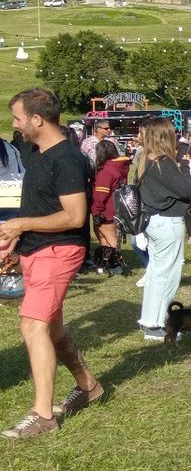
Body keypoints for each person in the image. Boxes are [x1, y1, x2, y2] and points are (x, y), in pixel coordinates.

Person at [0, 88, 103, 439]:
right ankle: (88, 385)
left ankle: (43, 415)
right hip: (35, 249)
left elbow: (74, 217)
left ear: (37, 119)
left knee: (32, 325)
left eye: (18, 118)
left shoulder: (68, 160)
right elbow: (37, 205)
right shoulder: (34, 152)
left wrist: (21, 225)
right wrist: (16, 241)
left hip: (58, 251)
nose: (15, 125)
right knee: (52, 328)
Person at [136, 118, 191, 341]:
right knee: (168, 275)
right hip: (167, 222)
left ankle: (150, 320)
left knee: (156, 273)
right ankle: (158, 323)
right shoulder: (164, 162)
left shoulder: (144, 159)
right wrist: (186, 166)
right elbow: (186, 189)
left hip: (152, 221)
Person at [89, 139, 129, 275]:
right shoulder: (120, 167)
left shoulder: (106, 171)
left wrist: (96, 211)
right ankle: (105, 264)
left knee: (109, 240)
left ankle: (116, 266)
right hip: (117, 209)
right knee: (107, 240)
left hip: (106, 211)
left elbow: (101, 194)